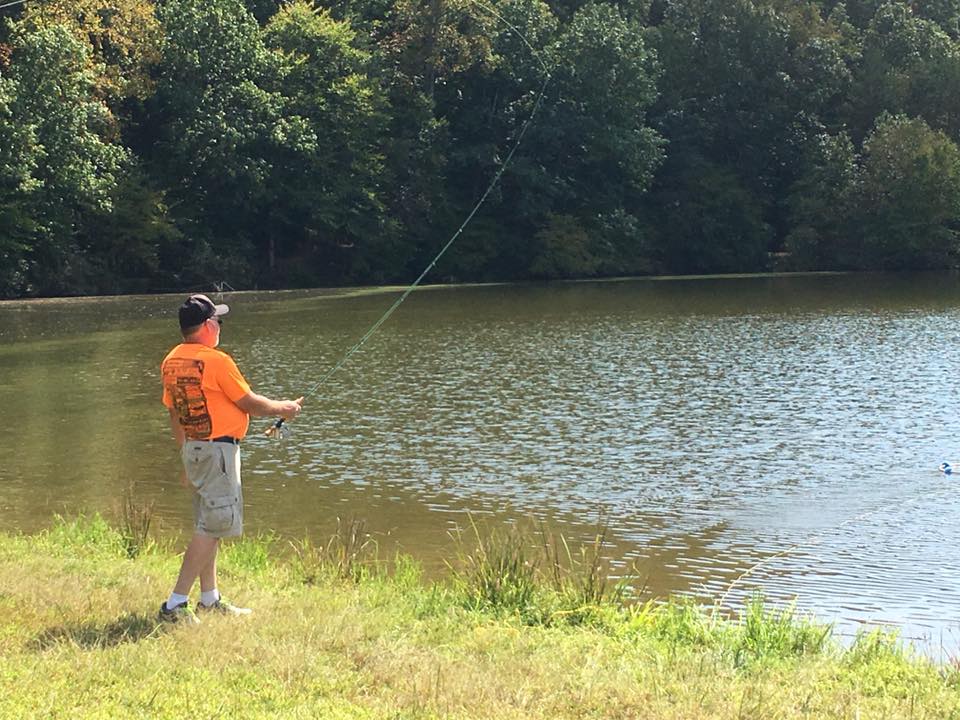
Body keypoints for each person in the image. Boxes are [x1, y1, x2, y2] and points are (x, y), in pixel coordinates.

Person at [159, 293, 302, 623]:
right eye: (217, 321)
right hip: (218, 452)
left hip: (194, 450)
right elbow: (248, 402)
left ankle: (209, 599)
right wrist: (284, 408)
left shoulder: (171, 361)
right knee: (216, 524)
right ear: (208, 326)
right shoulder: (217, 361)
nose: (219, 327)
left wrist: (184, 456)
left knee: (209, 522)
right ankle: (174, 604)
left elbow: (174, 414)